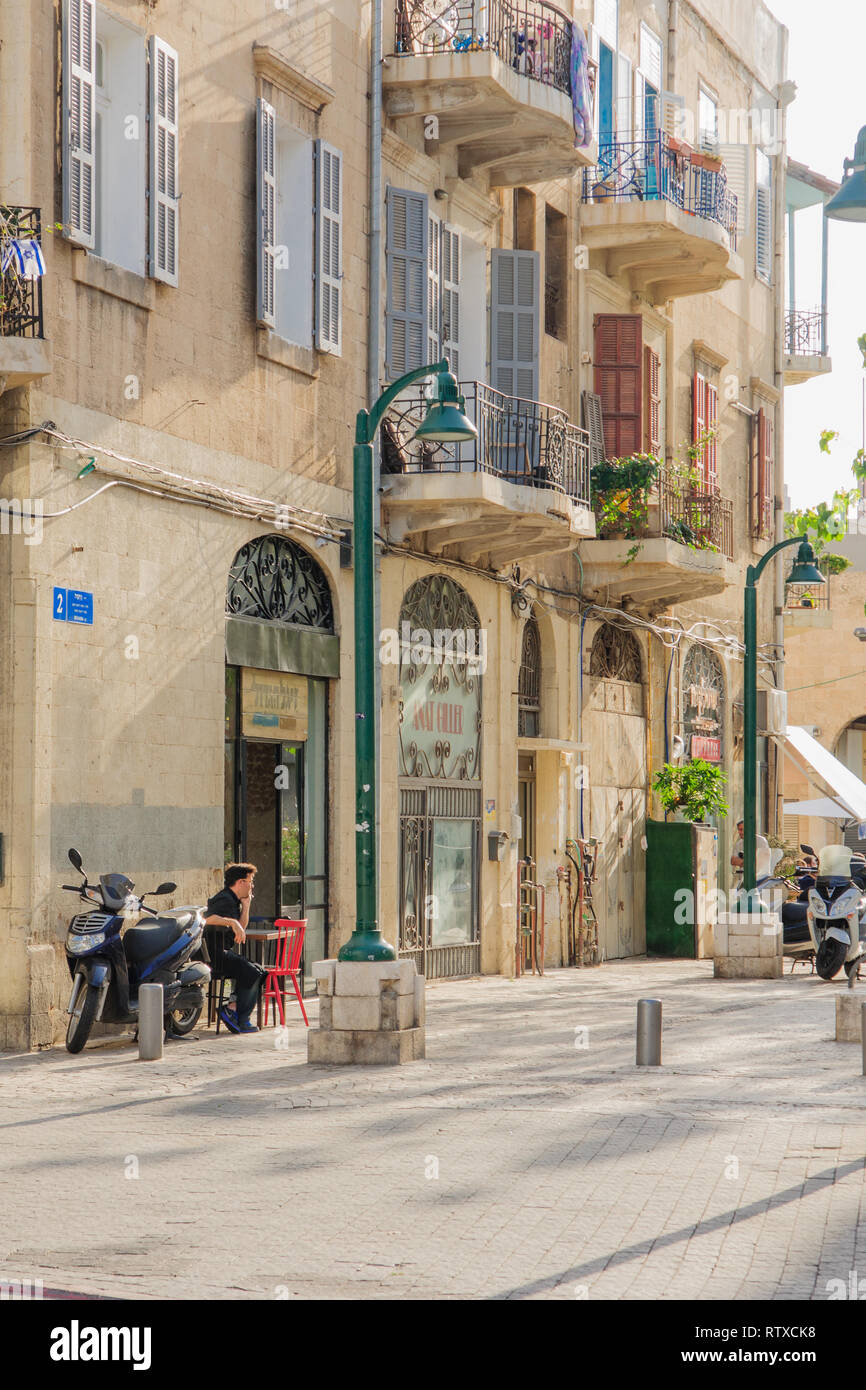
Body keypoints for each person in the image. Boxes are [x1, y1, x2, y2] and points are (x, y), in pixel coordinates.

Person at [204, 863, 267, 1035]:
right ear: (240, 882)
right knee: (252, 972)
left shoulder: (234, 900)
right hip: (212, 954)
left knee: (259, 971)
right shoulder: (224, 898)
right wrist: (231, 922)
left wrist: (246, 907)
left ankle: (233, 1008)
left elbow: (242, 929)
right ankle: (239, 1017)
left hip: (222, 952)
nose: (252, 885)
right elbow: (207, 919)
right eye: (250, 881)